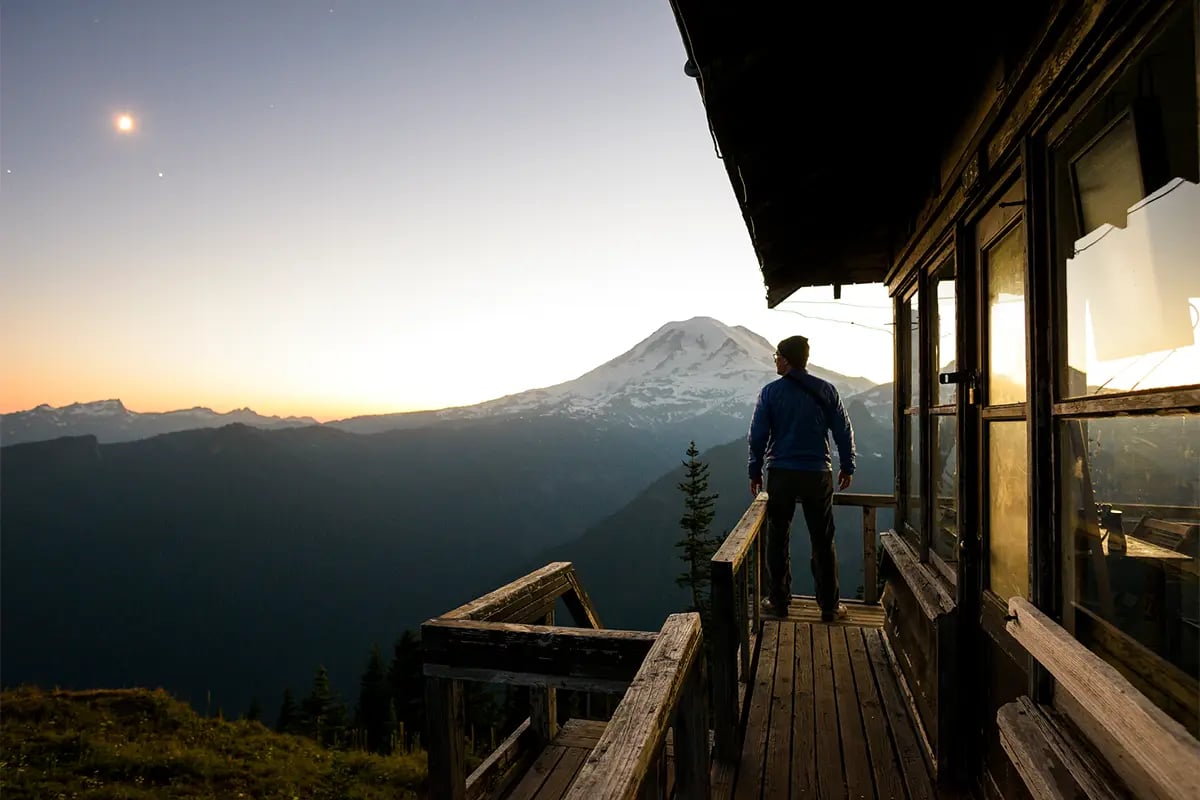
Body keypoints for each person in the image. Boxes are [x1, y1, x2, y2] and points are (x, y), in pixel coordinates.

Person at [748, 335, 856, 622]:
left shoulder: (770, 393)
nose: (775, 361)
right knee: (822, 539)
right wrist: (847, 465)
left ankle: (779, 601)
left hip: (781, 473)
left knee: (777, 537)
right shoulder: (827, 390)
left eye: (776, 357)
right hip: (818, 474)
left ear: (785, 359)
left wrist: (754, 469)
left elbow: (758, 436)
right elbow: (843, 431)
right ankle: (830, 607)